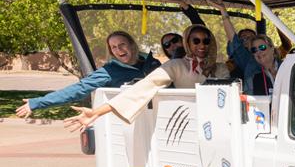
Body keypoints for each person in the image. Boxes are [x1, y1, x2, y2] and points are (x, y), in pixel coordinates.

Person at [64, 24, 228, 130]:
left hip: (220, 123)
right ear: (187, 43)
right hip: (189, 124)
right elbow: (143, 88)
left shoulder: (220, 68)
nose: (202, 45)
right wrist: (96, 112)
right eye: (196, 41)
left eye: (206, 41)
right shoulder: (176, 65)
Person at [15, 31, 160, 119]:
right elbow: (78, 89)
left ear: (132, 45)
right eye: (114, 47)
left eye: (122, 44)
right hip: (133, 122)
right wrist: (38, 102)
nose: (118, 50)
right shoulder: (108, 71)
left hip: (160, 117)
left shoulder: (152, 63)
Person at [206, 0, 292, 94]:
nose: (258, 51)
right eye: (254, 49)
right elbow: (233, 38)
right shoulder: (247, 61)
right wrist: (223, 11)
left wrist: (277, 23)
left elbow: (287, 46)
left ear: (272, 48)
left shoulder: (286, 65)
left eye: (262, 47)